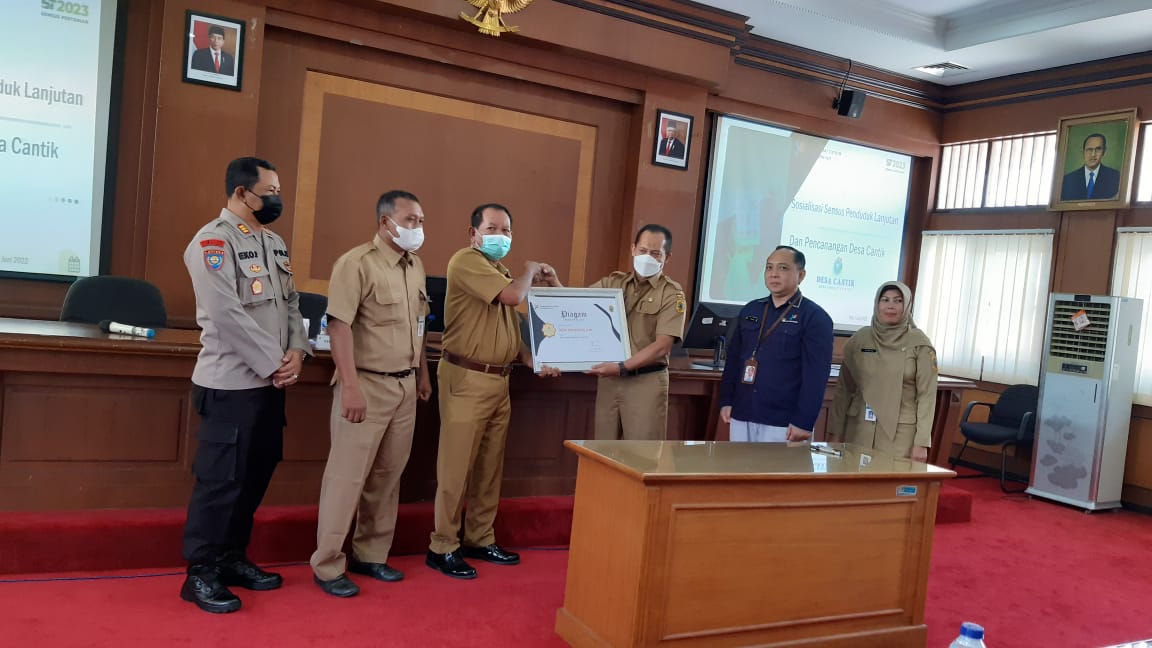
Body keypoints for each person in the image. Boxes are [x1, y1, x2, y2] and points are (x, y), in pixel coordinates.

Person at [180, 156, 308, 613]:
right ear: (241, 193)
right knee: (221, 482)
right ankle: (201, 572)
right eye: (269, 192)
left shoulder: (273, 242)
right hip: (231, 384)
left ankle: (232, 557)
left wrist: (297, 350)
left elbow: (291, 302)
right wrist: (275, 363)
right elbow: (225, 314)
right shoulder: (213, 241)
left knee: (255, 474)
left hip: (269, 385)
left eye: (278, 192)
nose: (277, 200)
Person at [426, 203, 561, 580]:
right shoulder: (466, 261)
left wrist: (532, 360)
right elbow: (514, 298)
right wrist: (529, 270)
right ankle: (443, 545)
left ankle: (479, 537)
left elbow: (510, 328)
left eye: (506, 230)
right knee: (456, 468)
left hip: (500, 380)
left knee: (489, 467)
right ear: (473, 234)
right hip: (467, 378)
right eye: (492, 229)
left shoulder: (498, 272)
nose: (500, 236)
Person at [309, 190, 433, 598]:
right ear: (385, 222)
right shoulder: (356, 263)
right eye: (410, 220)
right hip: (366, 384)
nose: (417, 228)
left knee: (387, 477)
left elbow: (419, 325)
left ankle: (370, 554)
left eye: (420, 221)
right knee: (346, 479)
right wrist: (350, 387)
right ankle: (328, 564)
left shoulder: (415, 266)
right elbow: (338, 326)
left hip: (404, 386)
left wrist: (422, 373)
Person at [717, 245, 833, 442]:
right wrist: (726, 400)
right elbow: (734, 360)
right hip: (743, 412)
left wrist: (804, 421)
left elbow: (816, 375)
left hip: (783, 421)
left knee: (778, 464)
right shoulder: (751, 310)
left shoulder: (815, 317)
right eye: (769, 267)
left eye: (783, 268)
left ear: (801, 275)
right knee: (739, 463)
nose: (774, 274)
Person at [585, 224, 686, 440]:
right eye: (643, 250)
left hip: (645, 383)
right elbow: (577, 305)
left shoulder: (671, 293)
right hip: (610, 382)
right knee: (603, 449)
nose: (647, 257)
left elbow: (662, 346)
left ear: (667, 257)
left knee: (642, 454)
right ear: (633, 249)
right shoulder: (613, 283)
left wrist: (622, 367)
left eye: (655, 253)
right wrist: (554, 282)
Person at [827, 281, 938, 462]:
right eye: (885, 300)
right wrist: (835, 432)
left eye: (898, 300)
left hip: (900, 433)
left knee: (892, 477)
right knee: (854, 475)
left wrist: (922, 442)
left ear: (907, 305)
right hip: (858, 428)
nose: (890, 305)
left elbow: (927, 395)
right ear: (877, 304)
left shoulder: (919, 343)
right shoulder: (860, 339)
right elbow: (844, 390)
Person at [1060, 133, 1120, 200]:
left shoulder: (1116, 177)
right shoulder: (1068, 180)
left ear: (1104, 151)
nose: (1093, 154)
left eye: (1098, 149)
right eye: (1089, 149)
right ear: (1083, 152)